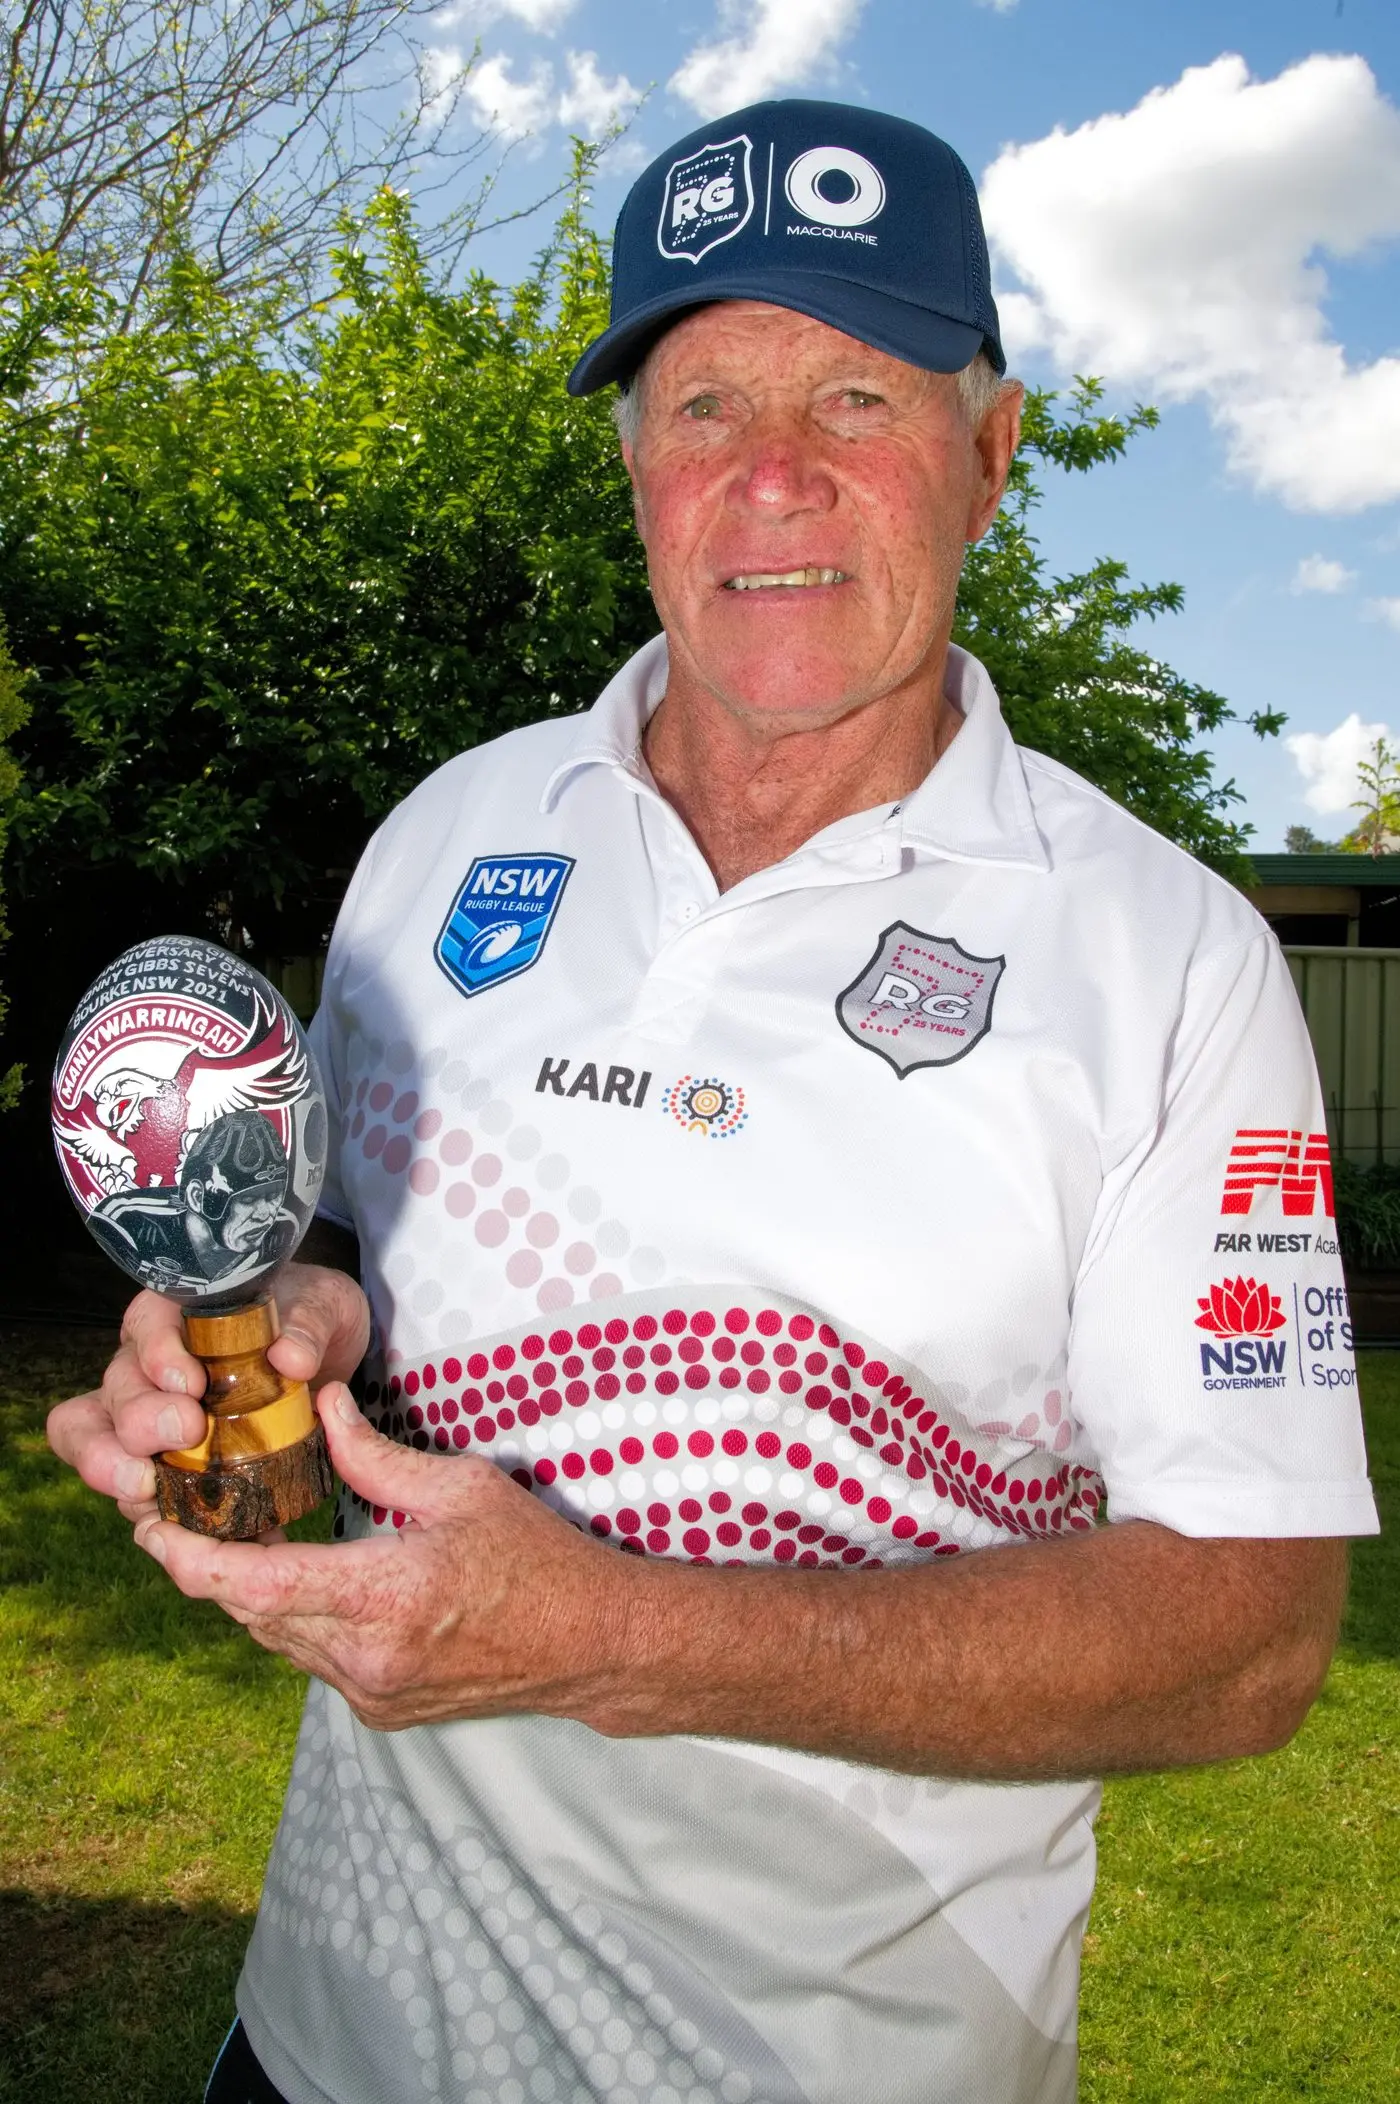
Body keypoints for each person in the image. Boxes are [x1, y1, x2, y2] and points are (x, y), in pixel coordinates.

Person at [48, 99, 1377, 2104]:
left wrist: (616, 1632)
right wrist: (280, 1329)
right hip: (326, 2038)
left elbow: (1250, 1635)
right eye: (701, 405)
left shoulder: (1172, 961)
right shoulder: (448, 833)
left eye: (858, 393)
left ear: (989, 458)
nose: (773, 475)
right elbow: (338, 1242)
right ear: (632, 467)